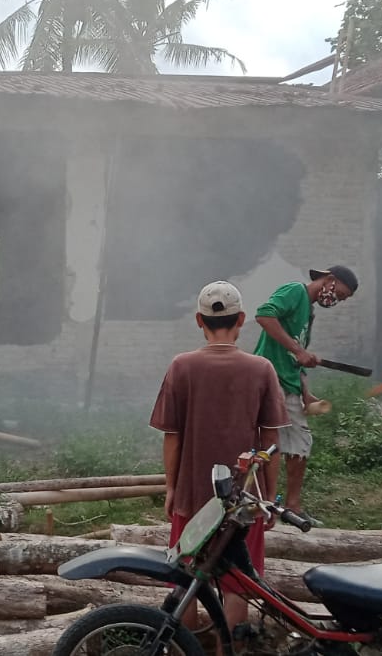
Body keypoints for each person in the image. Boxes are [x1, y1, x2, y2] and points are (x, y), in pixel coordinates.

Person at [151, 280, 289, 633]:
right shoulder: (261, 369)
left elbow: (172, 436)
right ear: (241, 318)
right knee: (237, 582)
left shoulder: (181, 366)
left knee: (185, 578)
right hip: (244, 497)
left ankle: (183, 649)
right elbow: (270, 440)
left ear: (199, 320)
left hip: (192, 493)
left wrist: (171, 488)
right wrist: (269, 496)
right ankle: (230, 649)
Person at [252, 265, 357, 524]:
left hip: (289, 384)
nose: (337, 300)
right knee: (268, 443)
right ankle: (263, 503)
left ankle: (292, 507)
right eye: (340, 294)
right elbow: (264, 314)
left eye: (342, 299)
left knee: (300, 444)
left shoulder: (308, 312)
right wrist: (298, 350)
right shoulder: (295, 292)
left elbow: (295, 360)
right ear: (330, 279)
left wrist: (306, 394)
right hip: (269, 378)